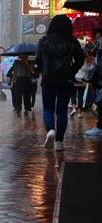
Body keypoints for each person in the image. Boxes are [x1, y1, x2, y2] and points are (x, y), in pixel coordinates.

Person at [35, 15, 85, 151]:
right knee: (62, 111)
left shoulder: (44, 41)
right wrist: (72, 71)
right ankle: (59, 142)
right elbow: (81, 58)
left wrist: (42, 71)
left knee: (48, 108)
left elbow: (38, 60)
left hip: (48, 80)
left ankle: (50, 130)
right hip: (66, 79)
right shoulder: (71, 41)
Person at [85, 29, 102, 136]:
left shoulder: (100, 47)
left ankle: (100, 127)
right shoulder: (98, 47)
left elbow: (99, 65)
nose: (95, 35)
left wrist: (92, 62)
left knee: (100, 104)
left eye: (97, 33)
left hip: (100, 81)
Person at [70, 51, 95, 118]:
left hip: (75, 79)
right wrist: (92, 62)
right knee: (80, 97)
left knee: (73, 95)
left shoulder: (80, 62)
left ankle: (74, 108)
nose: (90, 57)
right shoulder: (91, 65)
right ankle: (79, 113)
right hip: (83, 81)